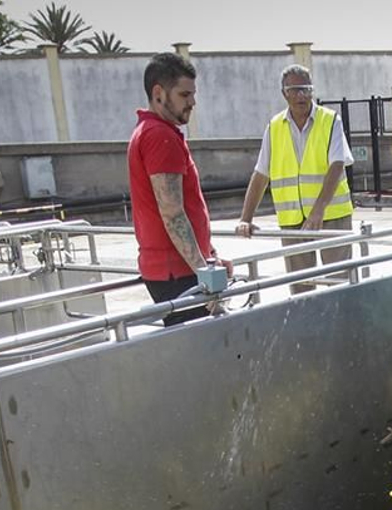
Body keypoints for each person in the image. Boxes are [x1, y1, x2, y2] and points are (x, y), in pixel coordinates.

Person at [128, 52, 231, 324]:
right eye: (185, 95)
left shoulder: (151, 132)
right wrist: (206, 275)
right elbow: (172, 212)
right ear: (159, 93)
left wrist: (210, 255)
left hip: (176, 270)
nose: (193, 102)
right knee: (203, 354)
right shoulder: (160, 136)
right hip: (177, 273)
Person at [234, 64, 355, 292]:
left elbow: (337, 165)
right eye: (295, 90)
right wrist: (245, 218)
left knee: (340, 284)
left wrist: (319, 209)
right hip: (292, 220)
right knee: (300, 287)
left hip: (331, 215)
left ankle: (343, 326)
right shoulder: (275, 127)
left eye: (306, 89)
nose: (301, 95)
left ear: (313, 91)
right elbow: (261, 174)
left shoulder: (330, 121)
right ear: (284, 93)